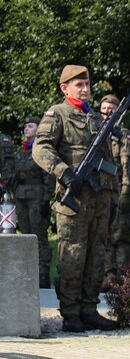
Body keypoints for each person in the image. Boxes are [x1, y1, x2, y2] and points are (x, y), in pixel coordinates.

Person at [32, 65, 118, 332]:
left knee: (96, 254)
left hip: (100, 197)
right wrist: (64, 172)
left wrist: (113, 196)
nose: (85, 88)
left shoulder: (96, 117)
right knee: (73, 254)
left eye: (87, 84)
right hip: (75, 198)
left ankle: (89, 309)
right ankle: (70, 313)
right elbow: (41, 147)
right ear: (65, 88)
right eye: (78, 84)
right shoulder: (58, 114)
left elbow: (109, 160)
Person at [99, 94, 130, 289]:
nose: (106, 112)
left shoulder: (124, 136)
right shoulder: (98, 134)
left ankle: (124, 278)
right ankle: (109, 277)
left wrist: (125, 194)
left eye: (110, 109)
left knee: (121, 238)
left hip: (119, 192)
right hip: (102, 192)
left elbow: (128, 168)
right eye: (103, 109)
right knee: (105, 236)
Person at [12, 116, 55, 288]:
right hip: (21, 198)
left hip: (37, 198)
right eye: (25, 126)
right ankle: (28, 272)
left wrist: (46, 199)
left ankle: (43, 273)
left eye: (30, 126)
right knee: (25, 235)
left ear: (38, 129)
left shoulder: (42, 149)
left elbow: (48, 176)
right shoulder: (20, 152)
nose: (26, 129)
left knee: (39, 236)